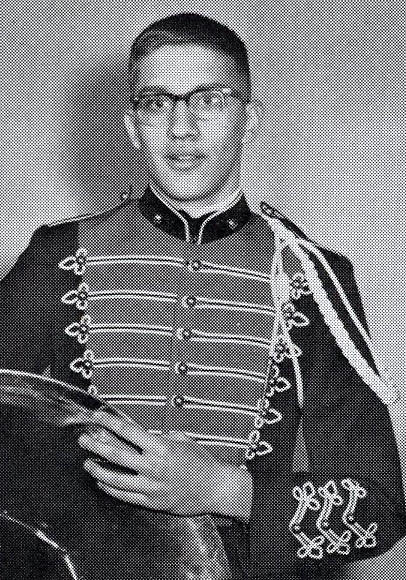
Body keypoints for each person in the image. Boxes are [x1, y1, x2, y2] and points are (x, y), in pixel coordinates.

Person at [0, 12, 405, 580]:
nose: (181, 128)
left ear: (248, 120)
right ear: (132, 125)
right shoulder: (56, 255)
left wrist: (225, 490)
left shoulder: (314, 277)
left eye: (209, 101)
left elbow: (379, 510)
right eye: (157, 103)